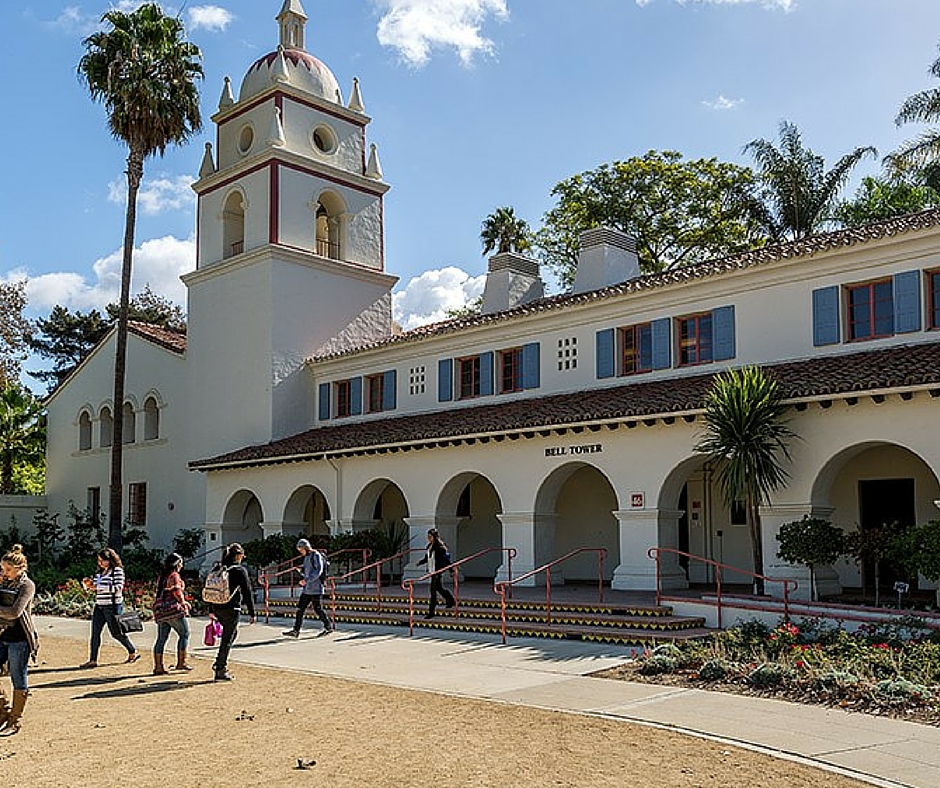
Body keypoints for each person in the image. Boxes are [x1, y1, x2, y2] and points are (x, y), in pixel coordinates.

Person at [0, 545, 38, 736]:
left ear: (20, 569)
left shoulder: (26, 585)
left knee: (18, 678)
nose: (4, 573)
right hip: (2, 635)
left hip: (20, 639)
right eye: (2, 569)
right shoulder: (3, 582)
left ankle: (15, 721)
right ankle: (3, 710)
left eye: (7, 570)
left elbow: (15, 612)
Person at [80, 548, 140, 668]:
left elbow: (118, 587)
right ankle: (93, 659)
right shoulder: (99, 572)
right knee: (95, 633)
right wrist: (88, 586)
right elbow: (96, 588)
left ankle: (132, 650)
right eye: (99, 560)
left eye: (103, 560)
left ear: (110, 560)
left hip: (112, 606)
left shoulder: (117, 571)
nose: (100, 563)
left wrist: (98, 587)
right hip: (99, 605)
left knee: (116, 632)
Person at [210, 543, 254, 682]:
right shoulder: (239, 570)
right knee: (228, 638)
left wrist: (211, 608)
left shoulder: (218, 568)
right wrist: (252, 612)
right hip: (231, 608)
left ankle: (219, 663)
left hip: (218, 606)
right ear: (238, 556)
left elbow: (212, 588)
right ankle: (220, 668)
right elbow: (247, 591)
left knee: (231, 635)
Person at [282, 538, 334, 638]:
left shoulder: (316, 555)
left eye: (301, 549)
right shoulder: (306, 557)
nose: (300, 552)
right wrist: (300, 571)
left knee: (318, 608)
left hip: (315, 588)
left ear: (306, 547)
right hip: (307, 589)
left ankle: (328, 626)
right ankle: (296, 630)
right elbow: (307, 571)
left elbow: (318, 571)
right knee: (300, 609)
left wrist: (306, 580)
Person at [151, 552, 192, 675]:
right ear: (177, 564)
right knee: (184, 634)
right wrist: (184, 602)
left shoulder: (163, 576)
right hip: (173, 610)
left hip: (161, 610)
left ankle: (158, 666)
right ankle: (181, 662)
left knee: (161, 638)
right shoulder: (174, 576)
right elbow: (177, 591)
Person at [417, 528, 455, 619]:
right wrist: (420, 562)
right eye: (428, 536)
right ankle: (450, 600)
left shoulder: (440, 548)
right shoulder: (430, 546)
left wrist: (451, 570)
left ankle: (431, 612)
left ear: (434, 537)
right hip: (432, 570)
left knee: (433, 592)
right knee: (439, 588)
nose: (428, 538)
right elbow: (427, 558)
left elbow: (446, 560)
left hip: (437, 571)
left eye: (430, 536)